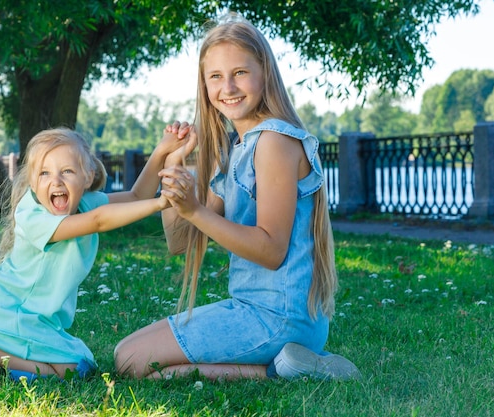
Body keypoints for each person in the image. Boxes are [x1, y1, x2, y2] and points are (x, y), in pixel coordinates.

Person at [114, 15, 361, 381]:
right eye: (215, 76)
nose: (227, 87)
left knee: (133, 360)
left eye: (240, 73)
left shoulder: (275, 142)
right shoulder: (239, 150)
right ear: (204, 84)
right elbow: (179, 242)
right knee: (129, 357)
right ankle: (288, 366)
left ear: (265, 72)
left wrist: (196, 210)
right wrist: (174, 165)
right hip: (257, 310)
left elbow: (271, 249)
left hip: (278, 318)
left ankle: (280, 371)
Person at [0, 125, 193, 382]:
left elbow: (136, 195)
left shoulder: (85, 203)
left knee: (82, 368)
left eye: (66, 171)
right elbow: (99, 221)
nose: (56, 181)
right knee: (73, 372)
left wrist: (162, 150)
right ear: (33, 182)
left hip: (34, 319)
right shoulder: (33, 216)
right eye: (44, 173)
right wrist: (160, 203)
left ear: (87, 177)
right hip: (6, 313)